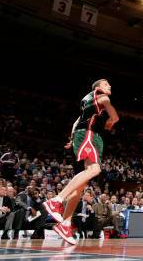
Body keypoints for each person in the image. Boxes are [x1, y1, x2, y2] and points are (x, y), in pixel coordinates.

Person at [43, 79, 119, 245]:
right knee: (95, 169)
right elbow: (111, 110)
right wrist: (113, 118)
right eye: (107, 84)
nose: (110, 86)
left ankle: (65, 223)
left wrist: (72, 139)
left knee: (80, 187)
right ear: (98, 88)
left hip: (83, 135)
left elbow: (76, 121)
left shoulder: (88, 102)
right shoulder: (101, 96)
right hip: (89, 135)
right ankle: (56, 200)